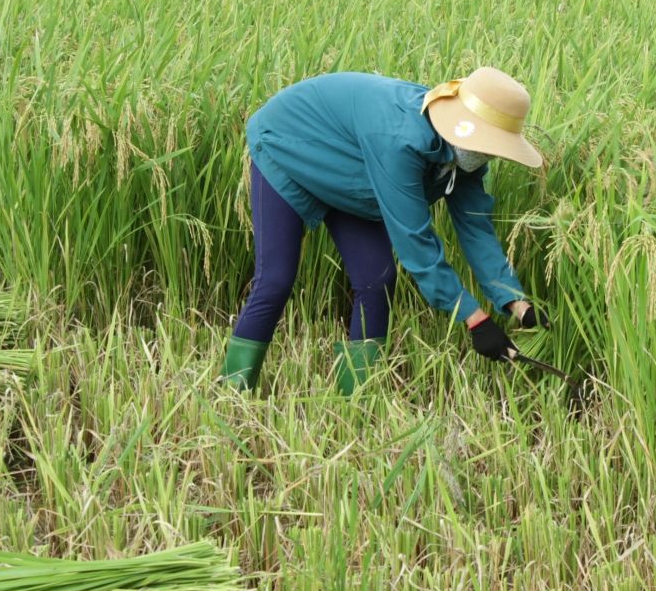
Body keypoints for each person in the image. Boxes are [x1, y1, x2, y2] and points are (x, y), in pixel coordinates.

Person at [218, 67, 550, 395]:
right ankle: (234, 391)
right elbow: (415, 242)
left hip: (352, 169)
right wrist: (474, 318)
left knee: (376, 279)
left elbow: (477, 231)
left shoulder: (468, 159)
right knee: (275, 279)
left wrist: (516, 303)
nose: (492, 153)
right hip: (289, 142)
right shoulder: (401, 141)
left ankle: (356, 398)